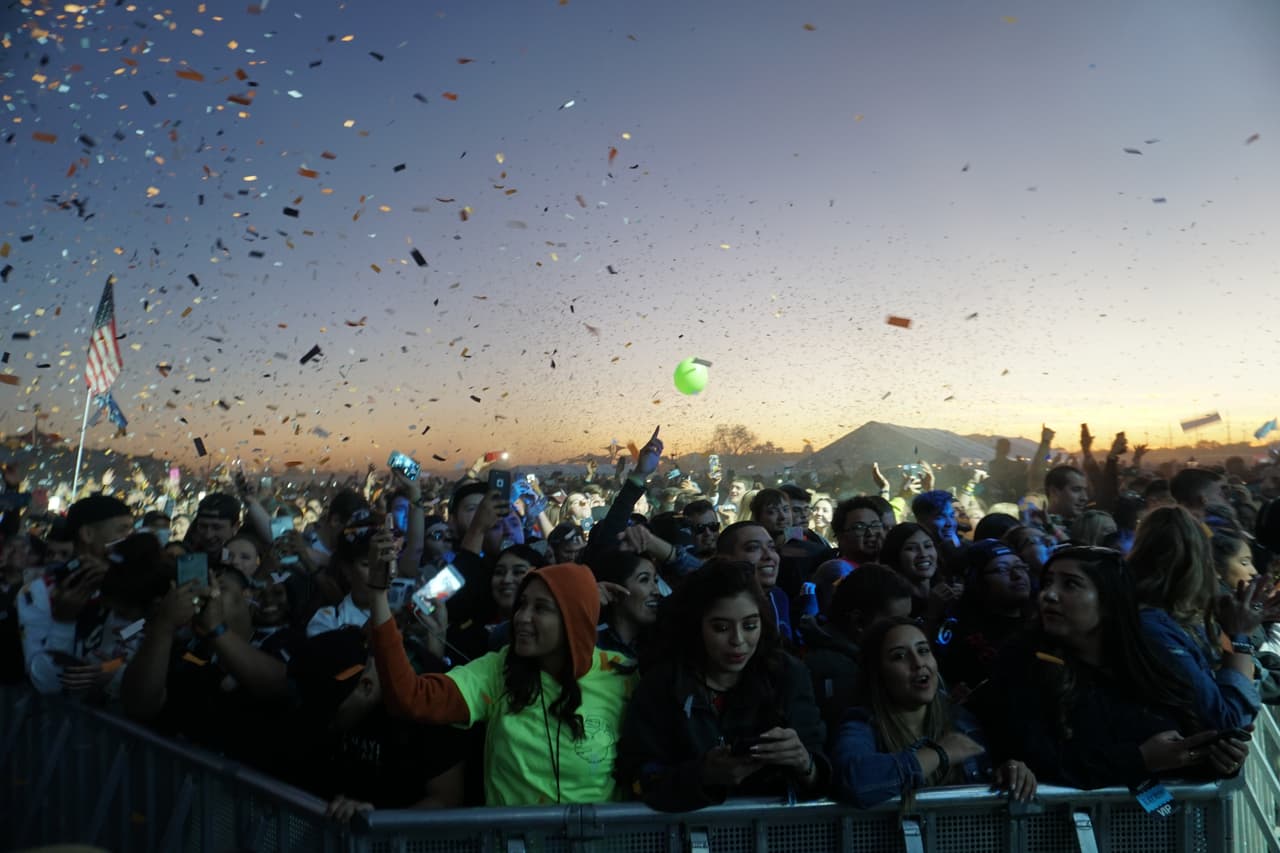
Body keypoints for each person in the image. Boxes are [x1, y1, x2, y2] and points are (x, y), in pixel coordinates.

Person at [366, 530, 637, 805]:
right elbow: (410, 698)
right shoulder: (499, 670)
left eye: (540, 608)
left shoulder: (622, 675)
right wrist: (378, 596)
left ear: (574, 619)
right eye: (522, 605)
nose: (521, 618)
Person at [978, 546, 1249, 788]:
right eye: (1047, 583)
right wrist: (1139, 759)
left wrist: (1217, 759)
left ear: (1109, 601)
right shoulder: (1023, 664)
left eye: (1070, 585)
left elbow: (1186, 743)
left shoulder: (1152, 661)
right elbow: (1036, 760)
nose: (1049, 595)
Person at [614, 559, 828, 811]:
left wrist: (805, 763)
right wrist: (704, 775)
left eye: (750, 626)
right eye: (721, 628)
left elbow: (820, 775)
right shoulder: (663, 683)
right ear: (697, 626)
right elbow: (639, 777)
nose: (738, 641)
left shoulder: (787, 675)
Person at [831, 616, 1035, 808]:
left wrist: (1011, 774)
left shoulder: (961, 719)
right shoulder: (861, 724)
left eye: (923, 650)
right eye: (899, 656)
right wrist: (939, 754)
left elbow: (983, 786)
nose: (918, 663)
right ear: (877, 674)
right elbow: (854, 781)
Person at [285, 627, 468, 821]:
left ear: (366, 686)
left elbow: (446, 800)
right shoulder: (338, 649)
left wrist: (377, 821)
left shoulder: (430, 700)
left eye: (331, 715)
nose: (327, 725)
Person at [1127, 506, 1261, 730]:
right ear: (1196, 563)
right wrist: (1239, 637)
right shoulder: (1154, 629)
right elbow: (1228, 720)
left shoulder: (1182, 618)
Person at [804, 564, 913, 729]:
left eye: (908, 620)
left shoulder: (865, 654)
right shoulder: (834, 671)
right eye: (895, 622)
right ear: (859, 621)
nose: (905, 630)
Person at [938, 540, 1033, 696]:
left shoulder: (1045, 620)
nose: (1017, 575)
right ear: (977, 581)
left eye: (1020, 566)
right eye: (1002, 569)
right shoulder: (960, 632)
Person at [716, 521, 791, 644]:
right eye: (753, 548)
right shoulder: (714, 605)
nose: (769, 556)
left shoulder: (779, 597)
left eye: (772, 547)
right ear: (725, 560)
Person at [592, 550, 662, 662]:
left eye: (655, 581)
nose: (657, 591)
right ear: (615, 589)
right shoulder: (590, 643)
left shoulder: (663, 643)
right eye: (644, 580)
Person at [832, 497, 885, 569]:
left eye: (875, 525)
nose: (870, 533)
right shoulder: (837, 570)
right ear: (841, 537)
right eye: (860, 527)